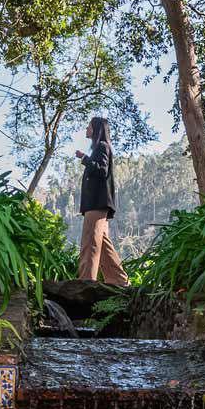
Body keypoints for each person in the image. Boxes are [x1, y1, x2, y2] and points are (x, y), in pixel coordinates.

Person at [74, 116, 130, 285]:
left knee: (90, 242)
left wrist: (85, 159)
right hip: (97, 204)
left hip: (97, 204)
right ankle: (119, 280)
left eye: (88, 126)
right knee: (102, 244)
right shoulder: (100, 147)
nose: (86, 128)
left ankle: (86, 282)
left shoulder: (102, 147)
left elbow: (101, 171)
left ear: (96, 129)